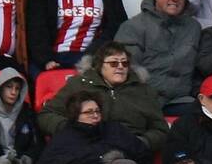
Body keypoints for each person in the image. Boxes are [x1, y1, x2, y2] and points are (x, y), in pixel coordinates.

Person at [37, 41, 169, 155]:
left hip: (130, 151)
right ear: (100, 65)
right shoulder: (79, 85)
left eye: (125, 63)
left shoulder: (143, 90)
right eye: (113, 63)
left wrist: (142, 142)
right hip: (85, 149)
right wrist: (72, 130)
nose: (120, 67)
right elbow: (46, 115)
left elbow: (161, 130)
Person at [114, 0, 201, 115]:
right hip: (143, 100)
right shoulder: (134, 27)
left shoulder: (194, 28)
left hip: (182, 99)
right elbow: (125, 71)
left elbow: (200, 68)